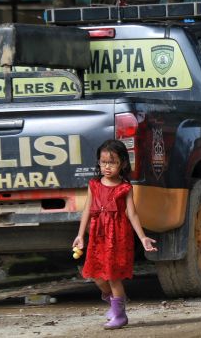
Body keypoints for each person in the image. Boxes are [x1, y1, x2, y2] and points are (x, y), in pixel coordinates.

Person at [73, 140, 158, 329]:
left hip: (118, 237)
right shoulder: (94, 185)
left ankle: (120, 315)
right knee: (95, 275)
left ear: (123, 164)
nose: (106, 167)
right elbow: (87, 210)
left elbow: (132, 214)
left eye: (112, 162)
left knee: (113, 276)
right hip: (97, 235)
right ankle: (116, 301)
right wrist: (80, 235)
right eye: (103, 162)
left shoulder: (125, 188)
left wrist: (143, 237)